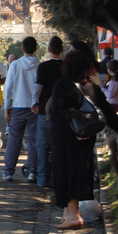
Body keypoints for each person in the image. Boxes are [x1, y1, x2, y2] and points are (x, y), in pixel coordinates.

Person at [51, 50, 118, 229]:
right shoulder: (90, 85)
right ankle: (68, 214)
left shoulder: (62, 85)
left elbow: (58, 111)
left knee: (65, 174)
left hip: (66, 138)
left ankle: (74, 216)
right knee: (79, 173)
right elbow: (106, 109)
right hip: (86, 136)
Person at [2, 37, 40, 182]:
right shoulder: (39, 65)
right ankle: (32, 171)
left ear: (22, 48)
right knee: (34, 140)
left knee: (14, 139)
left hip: (18, 106)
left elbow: (8, 87)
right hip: (34, 107)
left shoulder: (15, 65)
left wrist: (7, 107)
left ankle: (8, 172)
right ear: (36, 49)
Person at [31, 36, 64, 188]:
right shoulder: (66, 67)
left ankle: (42, 179)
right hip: (63, 112)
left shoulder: (43, 67)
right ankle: (60, 178)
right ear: (62, 50)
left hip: (44, 110)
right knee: (61, 145)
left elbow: (38, 88)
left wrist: (34, 103)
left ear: (49, 50)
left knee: (42, 146)